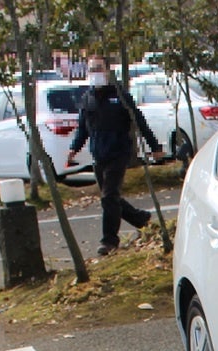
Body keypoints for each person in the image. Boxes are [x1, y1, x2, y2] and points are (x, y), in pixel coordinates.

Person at [65, 58, 164, 257]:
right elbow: (83, 128)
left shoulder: (119, 96)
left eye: (99, 69)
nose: (95, 73)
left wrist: (155, 146)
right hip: (99, 154)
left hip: (119, 152)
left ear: (107, 71)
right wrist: (74, 148)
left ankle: (109, 241)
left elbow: (139, 121)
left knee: (109, 196)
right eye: (92, 69)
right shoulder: (87, 98)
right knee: (110, 198)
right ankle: (140, 219)